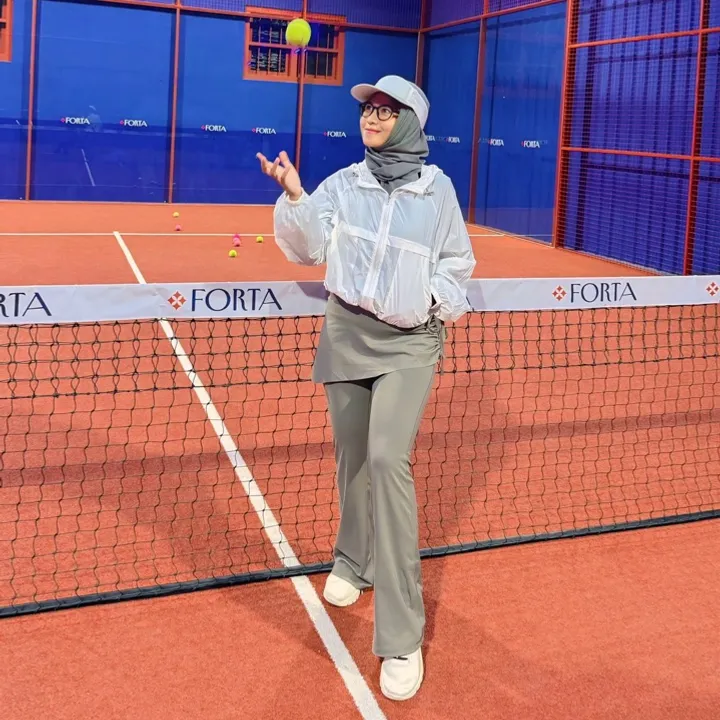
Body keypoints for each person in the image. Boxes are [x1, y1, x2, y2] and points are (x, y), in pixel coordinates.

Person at [257, 75, 476, 702]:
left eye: (385, 110)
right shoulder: (344, 183)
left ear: (409, 121)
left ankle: (402, 635)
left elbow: (457, 262)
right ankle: (354, 560)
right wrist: (295, 197)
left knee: (386, 458)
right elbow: (307, 250)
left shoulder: (437, 191)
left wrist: (429, 301)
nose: (372, 118)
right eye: (368, 110)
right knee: (352, 455)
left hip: (409, 343)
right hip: (346, 332)